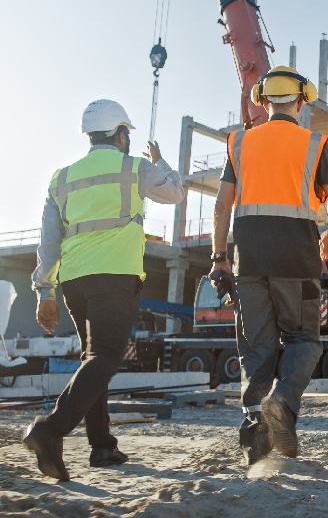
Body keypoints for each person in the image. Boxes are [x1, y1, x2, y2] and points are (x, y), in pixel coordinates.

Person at [25, 99, 184, 480]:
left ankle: (102, 447)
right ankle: (51, 430)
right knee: (106, 357)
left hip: (75, 282)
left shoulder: (62, 178)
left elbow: (48, 242)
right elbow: (176, 194)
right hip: (114, 277)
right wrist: (161, 163)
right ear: (122, 134)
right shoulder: (135, 168)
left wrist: (43, 291)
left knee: (92, 359)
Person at [211, 66, 328, 465]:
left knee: (257, 349)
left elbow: (222, 205)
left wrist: (219, 257)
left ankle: (257, 445)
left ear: (263, 100)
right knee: (304, 340)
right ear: (302, 100)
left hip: (249, 261)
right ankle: (283, 401)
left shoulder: (239, 142)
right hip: (298, 259)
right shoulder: (314, 143)